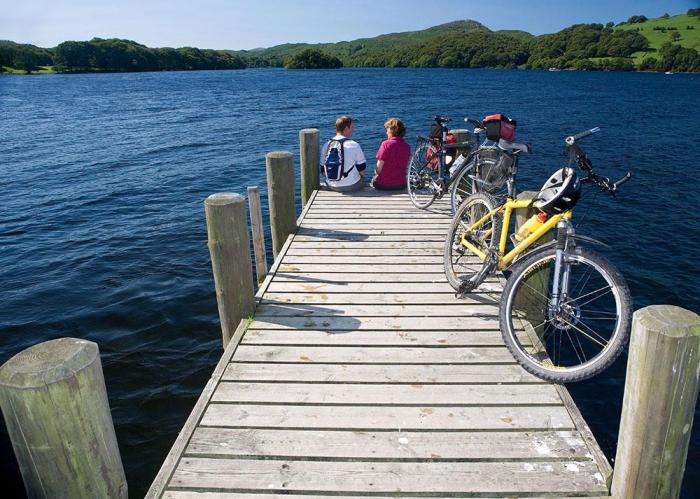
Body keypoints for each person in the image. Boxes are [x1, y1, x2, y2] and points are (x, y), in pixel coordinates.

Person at [320, 115, 367, 192]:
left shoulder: (327, 145)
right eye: (351, 127)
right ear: (346, 129)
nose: (353, 129)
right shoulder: (354, 145)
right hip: (351, 186)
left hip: (331, 186)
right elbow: (362, 169)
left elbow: (322, 171)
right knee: (362, 178)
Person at [371, 117, 410, 191]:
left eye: (387, 130)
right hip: (402, 184)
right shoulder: (407, 146)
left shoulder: (385, 144)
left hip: (384, 185)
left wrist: (375, 172)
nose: (386, 133)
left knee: (374, 180)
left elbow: (378, 170)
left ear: (392, 131)